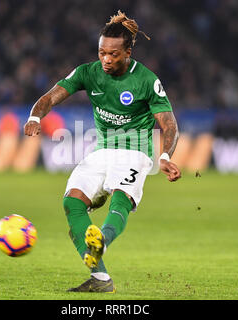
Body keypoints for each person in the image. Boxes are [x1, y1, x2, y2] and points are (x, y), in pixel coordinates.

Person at [24, 10, 181, 293]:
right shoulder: (88, 72)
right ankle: (100, 279)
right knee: (72, 202)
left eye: (113, 54)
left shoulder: (146, 80)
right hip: (103, 150)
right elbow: (50, 97)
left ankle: (102, 241)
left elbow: (169, 125)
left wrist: (166, 156)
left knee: (120, 199)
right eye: (101, 53)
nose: (106, 59)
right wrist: (35, 117)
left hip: (136, 151)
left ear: (128, 53)